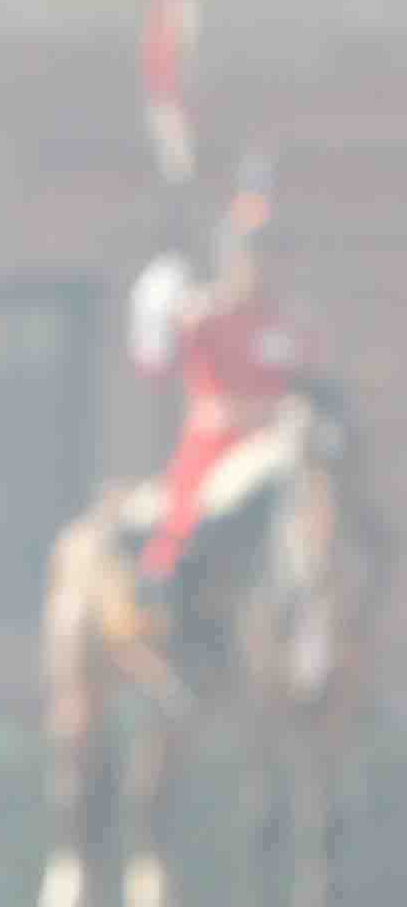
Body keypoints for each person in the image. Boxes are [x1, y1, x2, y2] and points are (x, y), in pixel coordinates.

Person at [131, 176, 306, 596]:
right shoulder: (204, 315)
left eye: (268, 254)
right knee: (189, 515)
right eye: (250, 254)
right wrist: (157, 311)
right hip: (217, 443)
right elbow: (156, 367)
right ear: (231, 259)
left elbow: (305, 384)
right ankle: (163, 587)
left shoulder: (289, 320)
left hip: (279, 443)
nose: (260, 266)